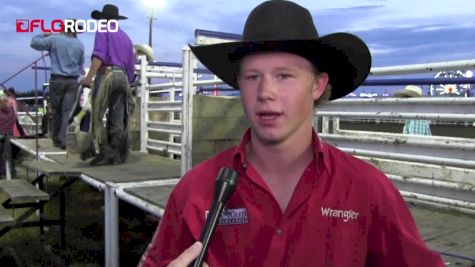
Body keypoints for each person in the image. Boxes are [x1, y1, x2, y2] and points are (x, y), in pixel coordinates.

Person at [139, 1, 445, 266]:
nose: (265, 93)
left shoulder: (367, 191)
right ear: (239, 86)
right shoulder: (195, 190)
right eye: (252, 77)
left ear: (317, 85)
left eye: (284, 76)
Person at [80, 4, 136, 165]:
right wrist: (128, 80)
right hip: (122, 77)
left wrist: (89, 78)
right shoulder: (126, 38)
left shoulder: (103, 30)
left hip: (107, 75)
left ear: (104, 18)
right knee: (118, 114)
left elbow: (99, 56)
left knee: (97, 113)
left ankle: (103, 150)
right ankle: (116, 151)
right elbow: (131, 64)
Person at [31, 24, 85, 149]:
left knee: (55, 111)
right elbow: (81, 65)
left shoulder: (55, 39)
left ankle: (55, 138)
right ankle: (63, 139)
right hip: (72, 81)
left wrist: (44, 34)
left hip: (57, 79)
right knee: (67, 111)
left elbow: (34, 43)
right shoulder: (80, 44)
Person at [0, 91, 16, 178]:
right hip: (9, 135)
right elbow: (13, 120)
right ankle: (9, 171)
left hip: (1, 135)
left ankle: (3, 172)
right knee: (7, 156)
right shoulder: (12, 110)